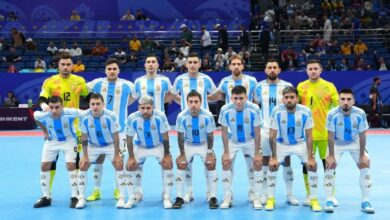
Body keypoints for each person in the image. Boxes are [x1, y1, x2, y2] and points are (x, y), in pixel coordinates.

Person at [37, 53, 89, 194]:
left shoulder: (79, 81)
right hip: (54, 127)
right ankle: (47, 193)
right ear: (58, 66)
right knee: (51, 161)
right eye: (63, 64)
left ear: (73, 66)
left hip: (74, 128)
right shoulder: (50, 81)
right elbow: (41, 99)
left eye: (68, 64)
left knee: (75, 161)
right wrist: (44, 106)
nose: (65, 67)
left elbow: (89, 97)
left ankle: (77, 193)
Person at [171, 52, 217, 203]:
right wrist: (184, 105)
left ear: (199, 64)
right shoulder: (179, 79)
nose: (192, 65)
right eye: (189, 62)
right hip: (187, 125)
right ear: (186, 64)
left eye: (194, 62)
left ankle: (211, 194)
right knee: (186, 163)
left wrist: (202, 103)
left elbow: (215, 96)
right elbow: (173, 95)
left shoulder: (206, 79)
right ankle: (188, 192)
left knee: (209, 163)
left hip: (204, 125)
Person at [86, 58, 135, 202]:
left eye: (114, 69)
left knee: (119, 160)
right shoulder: (97, 83)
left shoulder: (127, 85)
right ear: (105, 70)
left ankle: (118, 190)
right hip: (98, 130)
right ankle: (96, 191)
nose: (112, 71)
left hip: (120, 130)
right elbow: (80, 89)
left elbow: (135, 97)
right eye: (109, 69)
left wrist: (124, 104)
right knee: (98, 159)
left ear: (119, 70)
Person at [266, 86, 321, 212]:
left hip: (300, 143)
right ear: (283, 99)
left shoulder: (306, 111)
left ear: (297, 99)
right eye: (286, 98)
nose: (289, 100)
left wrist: (310, 157)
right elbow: (272, 135)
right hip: (282, 143)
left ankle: (314, 200)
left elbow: (309, 136)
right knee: (272, 167)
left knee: (312, 166)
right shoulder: (276, 111)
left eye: (292, 97)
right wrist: (273, 157)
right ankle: (271, 199)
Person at [253, 59, 298, 206]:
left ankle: (290, 194)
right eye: (269, 68)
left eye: (274, 67)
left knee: (286, 160)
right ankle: (266, 194)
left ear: (279, 70)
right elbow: (255, 108)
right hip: (265, 129)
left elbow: (293, 108)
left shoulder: (287, 86)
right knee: (266, 160)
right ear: (265, 70)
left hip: (283, 129)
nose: (272, 70)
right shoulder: (259, 87)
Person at [324, 88, 374, 214]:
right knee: (329, 167)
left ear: (353, 101)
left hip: (355, 141)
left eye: (348, 99)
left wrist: (362, 155)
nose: (345, 102)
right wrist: (330, 155)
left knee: (365, 166)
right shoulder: (332, 114)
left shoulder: (360, 113)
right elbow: (330, 135)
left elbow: (362, 135)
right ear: (339, 100)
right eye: (343, 99)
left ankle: (365, 201)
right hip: (337, 142)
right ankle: (329, 199)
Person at [297, 59, 339, 206]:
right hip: (306, 135)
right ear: (306, 71)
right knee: (307, 165)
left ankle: (331, 195)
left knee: (328, 165)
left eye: (315, 68)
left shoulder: (329, 86)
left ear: (320, 70)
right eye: (310, 69)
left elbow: (337, 108)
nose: (313, 71)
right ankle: (309, 194)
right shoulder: (301, 87)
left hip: (325, 134)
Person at [75, 93, 126, 209]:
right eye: (93, 104)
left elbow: (116, 136)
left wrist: (117, 155)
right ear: (89, 105)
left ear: (103, 104)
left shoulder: (111, 116)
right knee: (83, 165)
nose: (95, 107)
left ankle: (122, 197)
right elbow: (83, 137)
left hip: (110, 144)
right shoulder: (83, 116)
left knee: (119, 164)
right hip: (93, 145)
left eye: (98, 104)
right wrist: (85, 156)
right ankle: (81, 198)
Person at [218, 85, 264, 209]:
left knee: (257, 164)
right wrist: (226, 152)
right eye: (235, 98)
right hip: (233, 140)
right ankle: (228, 196)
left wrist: (257, 152)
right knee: (226, 163)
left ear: (246, 97)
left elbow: (258, 131)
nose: (238, 101)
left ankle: (256, 195)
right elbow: (223, 131)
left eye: (241, 98)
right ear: (231, 98)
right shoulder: (225, 109)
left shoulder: (254, 109)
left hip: (250, 140)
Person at [124, 96, 174, 209]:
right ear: (138, 107)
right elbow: (129, 138)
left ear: (153, 107)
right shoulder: (132, 118)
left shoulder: (160, 116)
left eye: (148, 108)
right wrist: (131, 157)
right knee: (130, 166)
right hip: (140, 146)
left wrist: (167, 155)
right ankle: (134, 195)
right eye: (142, 108)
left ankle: (166, 196)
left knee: (168, 164)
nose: (145, 111)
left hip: (158, 145)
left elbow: (165, 137)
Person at [172, 91, 218, 209]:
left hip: (204, 144)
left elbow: (210, 136)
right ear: (187, 103)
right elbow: (180, 137)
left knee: (211, 163)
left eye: (196, 102)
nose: (193, 105)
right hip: (188, 144)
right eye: (191, 102)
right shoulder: (181, 116)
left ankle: (212, 196)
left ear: (201, 102)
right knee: (182, 164)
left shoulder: (207, 116)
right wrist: (182, 154)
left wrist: (209, 153)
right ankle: (181, 196)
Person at [33, 96, 80, 208]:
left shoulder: (70, 113)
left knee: (71, 165)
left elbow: (85, 113)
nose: (54, 110)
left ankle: (75, 196)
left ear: (62, 106)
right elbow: (36, 117)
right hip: (52, 141)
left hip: (69, 140)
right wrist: (44, 131)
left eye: (57, 107)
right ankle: (46, 197)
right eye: (51, 107)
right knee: (44, 165)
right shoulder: (42, 115)